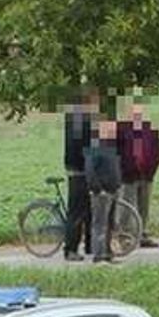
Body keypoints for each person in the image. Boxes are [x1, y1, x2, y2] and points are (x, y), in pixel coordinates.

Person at [117, 103, 159, 247]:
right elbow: (116, 151)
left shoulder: (150, 130)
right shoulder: (122, 130)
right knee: (127, 207)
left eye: (139, 113)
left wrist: (154, 164)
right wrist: (123, 167)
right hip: (128, 175)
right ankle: (124, 235)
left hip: (147, 174)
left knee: (144, 206)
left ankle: (142, 234)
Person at [62, 87, 97, 261]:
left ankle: (91, 244)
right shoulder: (79, 120)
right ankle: (70, 249)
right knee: (77, 211)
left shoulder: (77, 119)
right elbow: (82, 147)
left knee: (88, 209)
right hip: (79, 170)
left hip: (79, 168)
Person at [84, 119, 122, 263]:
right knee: (100, 224)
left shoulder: (110, 147)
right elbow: (90, 171)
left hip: (113, 190)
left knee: (110, 224)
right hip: (102, 192)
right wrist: (98, 189)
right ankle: (99, 255)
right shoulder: (95, 147)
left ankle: (108, 253)